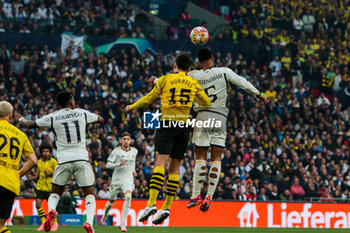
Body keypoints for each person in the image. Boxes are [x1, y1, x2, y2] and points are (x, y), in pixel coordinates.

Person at [125, 52, 210, 224]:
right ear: (188, 68)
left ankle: (150, 205)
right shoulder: (193, 83)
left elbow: (149, 99)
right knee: (175, 167)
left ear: (175, 66)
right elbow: (206, 102)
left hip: (167, 124)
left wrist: (131, 107)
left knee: (160, 163)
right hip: (184, 127)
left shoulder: (165, 80)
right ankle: (167, 207)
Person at [186, 47, 268, 212]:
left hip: (202, 116)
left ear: (199, 61)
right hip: (219, 117)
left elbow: (171, 81)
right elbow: (243, 82)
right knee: (216, 158)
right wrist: (258, 94)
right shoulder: (224, 72)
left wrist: (155, 81)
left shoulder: (192, 75)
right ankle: (209, 195)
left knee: (200, 156)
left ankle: (195, 195)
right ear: (212, 58)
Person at [16, 90, 104, 233]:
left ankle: (51, 211)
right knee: (89, 194)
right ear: (71, 102)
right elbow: (100, 119)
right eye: (73, 99)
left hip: (63, 160)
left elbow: (29, 124)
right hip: (81, 158)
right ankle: (89, 223)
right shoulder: (82, 113)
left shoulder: (53, 117)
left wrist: (20, 119)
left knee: (55, 193)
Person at [0, 101, 37, 233]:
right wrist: (18, 174)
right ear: (10, 116)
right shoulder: (20, 135)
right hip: (11, 183)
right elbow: (33, 160)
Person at [99, 132, 137, 232]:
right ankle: (104, 216)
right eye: (124, 139)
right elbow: (107, 165)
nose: (126, 141)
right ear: (121, 141)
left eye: (128, 139)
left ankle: (123, 223)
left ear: (130, 141)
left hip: (128, 180)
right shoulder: (116, 151)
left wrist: (134, 171)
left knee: (128, 197)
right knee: (111, 202)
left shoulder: (134, 151)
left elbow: (133, 162)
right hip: (116, 181)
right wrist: (119, 164)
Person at [35, 144, 58, 232]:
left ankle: (55, 223)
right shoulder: (39, 162)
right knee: (37, 205)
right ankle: (44, 222)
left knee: (52, 208)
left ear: (50, 153)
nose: (46, 153)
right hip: (40, 186)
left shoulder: (53, 162)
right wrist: (32, 178)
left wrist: (51, 173)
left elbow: (58, 173)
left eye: (47, 152)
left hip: (50, 187)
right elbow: (38, 173)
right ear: (41, 153)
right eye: (44, 152)